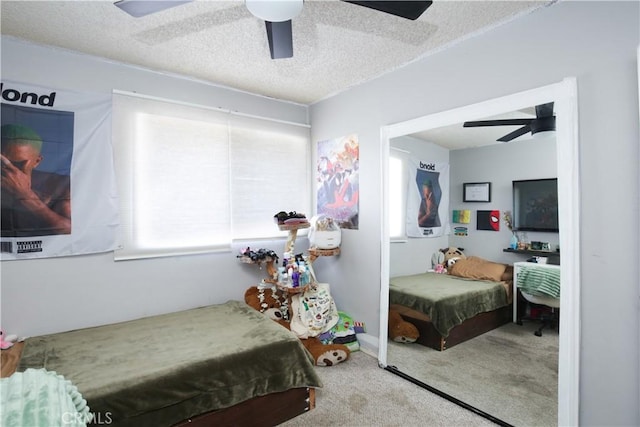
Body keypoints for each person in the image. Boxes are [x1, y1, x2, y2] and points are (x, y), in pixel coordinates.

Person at [1, 124, 71, 237]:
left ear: (37, 161)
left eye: (17, 164)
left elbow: (70, 229)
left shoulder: (60, 185)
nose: (8, 171)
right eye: (1, 162)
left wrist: (25, 195)